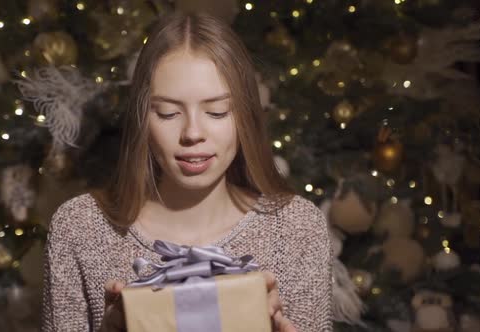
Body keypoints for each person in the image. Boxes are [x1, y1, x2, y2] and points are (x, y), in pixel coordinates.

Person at [42, 12, 333, 332]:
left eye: (217, 111)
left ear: (245, 116)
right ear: (142, 119)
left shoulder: (297, 228)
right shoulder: (79, 227)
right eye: (168, 113)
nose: (192, 133)